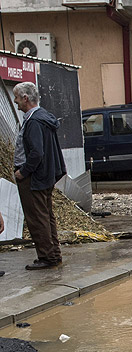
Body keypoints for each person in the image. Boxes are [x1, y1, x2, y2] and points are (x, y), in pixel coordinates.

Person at [13, 81, 66, 270]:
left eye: (17, 97)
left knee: (37, 218)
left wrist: (23, 172)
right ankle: (53, 255)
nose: (15, 101)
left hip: (33, 177)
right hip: (46, 175)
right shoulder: (43, 117)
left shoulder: (34, 121)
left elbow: (36, 153)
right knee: (46, 215)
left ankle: (47, 257)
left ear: (25, 98)